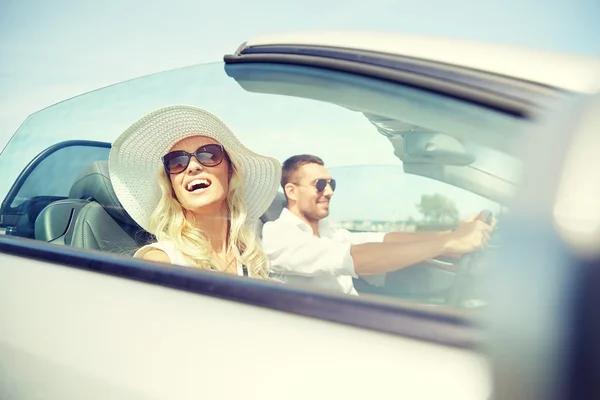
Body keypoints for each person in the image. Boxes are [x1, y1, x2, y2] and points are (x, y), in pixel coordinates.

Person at [261, 154, 493, 295]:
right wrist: (449, 243)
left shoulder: (325, 231)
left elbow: (383, 239)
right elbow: (356, 258)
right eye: (320, 184)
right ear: (291, 191)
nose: (329, 192)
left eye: (332, 184)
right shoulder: (278, 237)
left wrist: (451, 233)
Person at [108, 105, 281, 278]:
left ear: (230, 172)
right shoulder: (161, 260)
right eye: (177, 162)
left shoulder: (250, 257)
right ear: (171, 187)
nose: (193, 166)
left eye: (209, 155)